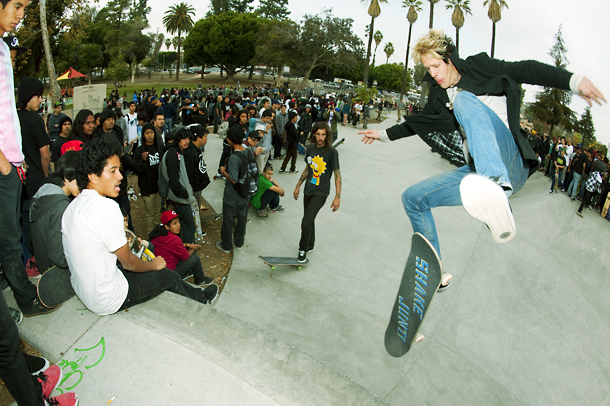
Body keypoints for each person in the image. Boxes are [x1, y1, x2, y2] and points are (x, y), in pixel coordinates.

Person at [359, 29, 605, 288]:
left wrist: (574, 81)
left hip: (510, 161)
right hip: (478, 170)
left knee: (464, 99)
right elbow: (421, 123)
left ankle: (495, 184)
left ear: (449, 58)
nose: (433, 73)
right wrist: (383, 134)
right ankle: (434, 270)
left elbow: (526, 69)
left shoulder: (479, 66)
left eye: (435, 65)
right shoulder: (439, 94)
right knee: (413, 198)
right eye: (427, 68)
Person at [1, 1, 78, 404]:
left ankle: (23, 274)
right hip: (16, 174)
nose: (21, 14)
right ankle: (26, 291)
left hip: (17, 173)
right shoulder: (32, 117)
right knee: (16, 235)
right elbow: (45, 154)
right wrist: (6, 165)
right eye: (16, 6)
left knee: (18, 230)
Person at [61, 135, 218, 317]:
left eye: (119, 170)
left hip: (84, 291)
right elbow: (128, 263)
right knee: (167, 275)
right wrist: (153, 265)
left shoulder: (71, 207)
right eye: (112, 171)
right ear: (93, 177)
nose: (120, 176)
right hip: (107, 299)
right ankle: (202, 298)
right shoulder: (107, 207)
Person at [293, 122, 341, 263]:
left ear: (327, 135)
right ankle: (310, 244)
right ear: (314, 134)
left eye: (323, 134)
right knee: (309, 218)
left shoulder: (332, 152)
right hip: (309, 189)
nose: (320, 137)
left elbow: (337, 175)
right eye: (318, 134)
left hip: (321, 192)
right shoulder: (310, 149)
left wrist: (337, 197)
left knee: (306, 221)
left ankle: (302, 250)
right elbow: (308, 169)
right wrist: (298, 185)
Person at [30, 150, 80, 277]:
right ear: (67, 177)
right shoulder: (61, 206)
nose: (83, 185)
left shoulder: (44, 195)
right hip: (57, 275)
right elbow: (59, 257)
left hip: (45, 269)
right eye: (80, 180)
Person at [216, 129, 256, 253]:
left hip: (233, 196)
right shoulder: (249, 152)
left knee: (228, 221)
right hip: (245, 194)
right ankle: (239, 242)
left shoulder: (234, 157)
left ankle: (226, 245)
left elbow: (233, 179)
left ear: (230, 140)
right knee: (242, 219)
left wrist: (223, 172)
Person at [149, 210, 214, 285]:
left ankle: (185, 273)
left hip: (159, 272)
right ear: (167, 226)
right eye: (174, 223)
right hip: (169, 274)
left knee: (179, 253)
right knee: (195, 259)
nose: (178, 225)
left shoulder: (159, 233)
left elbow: (171, 245)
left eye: (178, 222)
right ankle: (200, 280)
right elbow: (185, 256)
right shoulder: (174, 239)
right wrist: (192, 249)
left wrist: (187, 245)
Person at [160, 126, 198, 244]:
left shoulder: (177, 152)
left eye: (188, 138)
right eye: (183, 139)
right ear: (177, 139)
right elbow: (174, 182)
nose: (187, 141)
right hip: (179, 199)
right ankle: (187, 254)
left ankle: (182, 249)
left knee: (184, 227)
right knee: (189, 227)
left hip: (180, 197)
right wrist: (185, 194)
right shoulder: (172, 154)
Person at [133, 123, 163, 235]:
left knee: (157, 211)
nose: (149, 135)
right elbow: (136, 169)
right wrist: (142, 160)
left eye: (151, 132)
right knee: (149, 212)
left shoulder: (160, 147)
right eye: (147, 133)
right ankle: (152, 234)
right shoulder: (140, 151)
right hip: (147, 187)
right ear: (143, 135)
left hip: (159, 186)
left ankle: (158, 232)